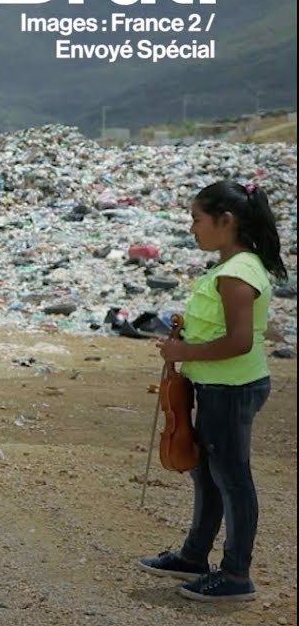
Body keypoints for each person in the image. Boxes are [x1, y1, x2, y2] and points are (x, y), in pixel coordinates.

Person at [138, 180, 287, 602]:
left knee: (233, 480)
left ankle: (236, 574)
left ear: (226, 221)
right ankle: (193, 556)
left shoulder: (238, 274)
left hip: (232, 387)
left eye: (196, 220)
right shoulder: (230, 268)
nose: (192, 228)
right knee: (207, 474)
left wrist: (184, 349)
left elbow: (240, 340)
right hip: (217, 384)